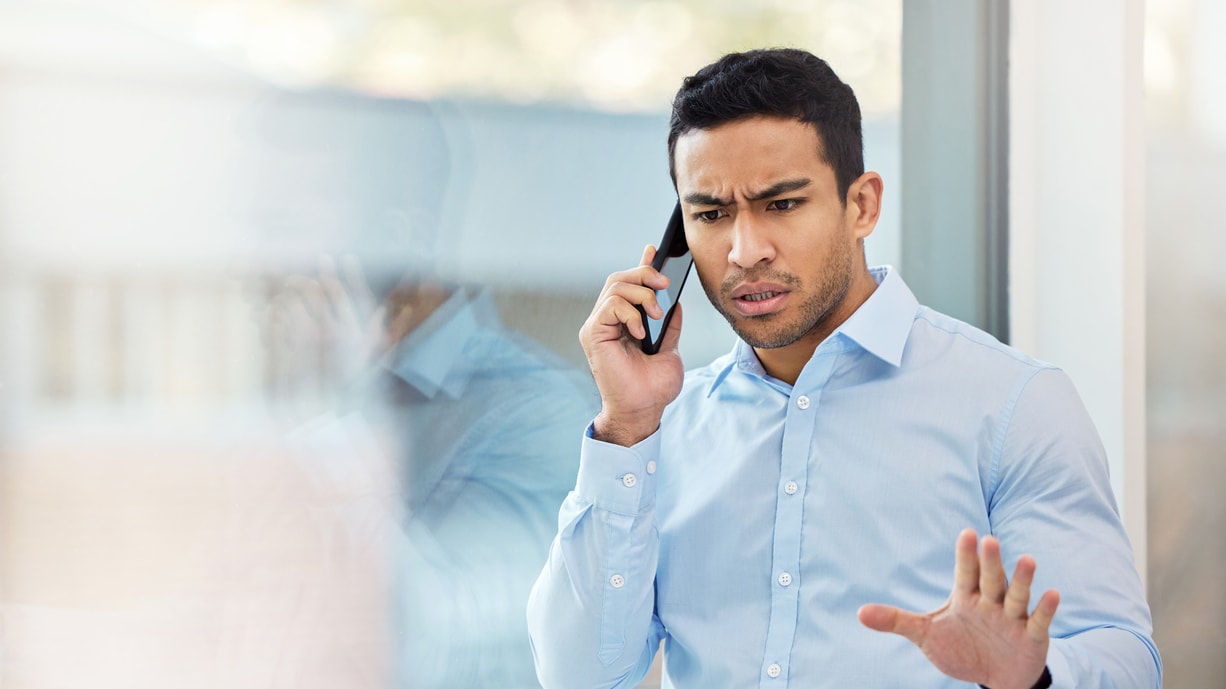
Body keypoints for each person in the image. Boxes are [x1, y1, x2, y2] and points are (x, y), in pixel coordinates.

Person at [526, 48, 1160, 689]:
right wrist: (626, 427)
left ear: (863, 205)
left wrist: (1034, 676)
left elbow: (1124, 659)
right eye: (711, 215)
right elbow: (580, 677)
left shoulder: (1015, 404)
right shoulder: (662, 429)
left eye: (781, 204)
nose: (745, 252)